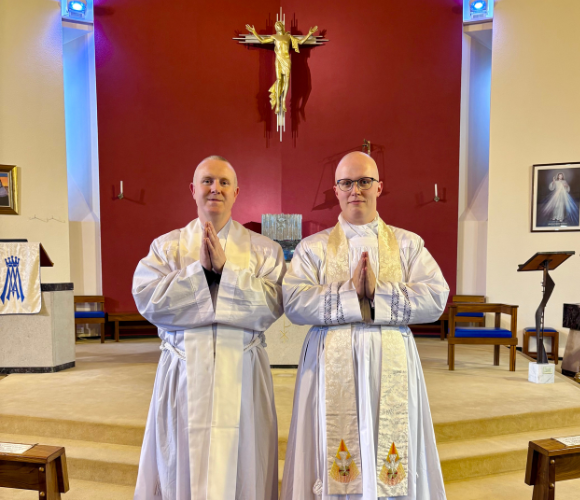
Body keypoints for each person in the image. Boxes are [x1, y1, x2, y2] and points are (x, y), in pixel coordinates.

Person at [280, 152, 449, 500]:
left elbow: (436, 297)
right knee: (332, 442)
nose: (355, 190)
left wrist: (378, 292)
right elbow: (294, 302)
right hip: (329, 363)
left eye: (364, 181)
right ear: (336, 190)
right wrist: (351, 293)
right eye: (346, 183)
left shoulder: (407, 244)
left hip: (390, 361)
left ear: (379, 187)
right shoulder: (313, 248)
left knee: (386, 437)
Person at [132, 156, 285, 500]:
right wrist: (199, 273)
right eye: (207, 181)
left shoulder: (265, 250)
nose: (215, 188)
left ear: (236, 192)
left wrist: (226, 272)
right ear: (193, 189)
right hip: (184, 371)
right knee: (179, 458)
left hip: (242, 371)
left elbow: (273, 304)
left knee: (245, 457)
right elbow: (148, 300)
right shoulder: (166, 247)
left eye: (224, 182)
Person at [245, 21, 317, 114]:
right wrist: (254, 32)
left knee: (287, 80)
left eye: (279, 25)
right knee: (279, 80)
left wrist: (309, 33)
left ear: (282, 26)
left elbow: (301, 42)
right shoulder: (274, 37)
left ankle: (283, 102)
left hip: (286, 60)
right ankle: (278, 103)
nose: (278, 26)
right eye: (276, 25)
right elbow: (262, 41)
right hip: (278, 60)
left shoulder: (288, 36)